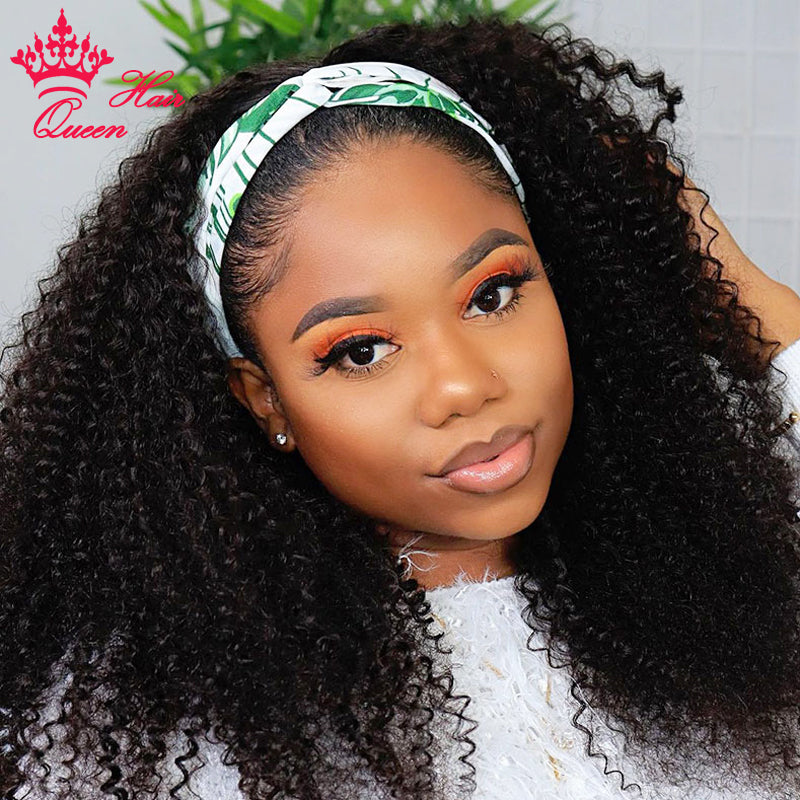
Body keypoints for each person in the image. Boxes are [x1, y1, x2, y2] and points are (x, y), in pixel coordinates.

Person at [2, 16, 800, 800]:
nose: (463, 386)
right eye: (360, 351)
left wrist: (742, 295)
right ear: (265, 400)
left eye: (493, 294)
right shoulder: (161, 733)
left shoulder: (733, 588)